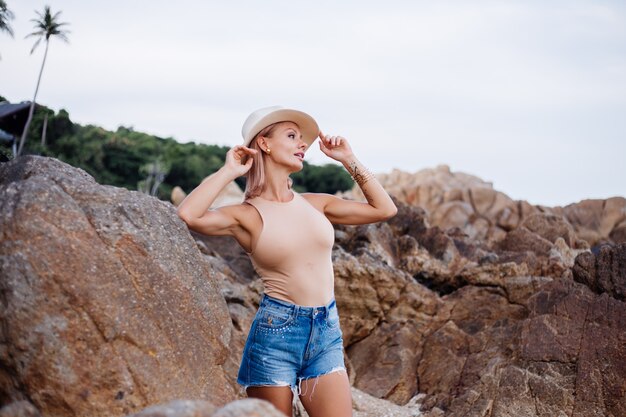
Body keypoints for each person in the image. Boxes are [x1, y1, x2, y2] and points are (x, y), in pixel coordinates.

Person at [177, 106, 397, 417]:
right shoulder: (247, 215)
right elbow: (188, 214)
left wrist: (349, 159)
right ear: (264, 144)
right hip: (276, 334)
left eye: (301, 139)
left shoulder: (316, 203)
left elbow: (384, 209)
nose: (302, 144)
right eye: (291, 136)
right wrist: (229, 170)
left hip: (326, 331)